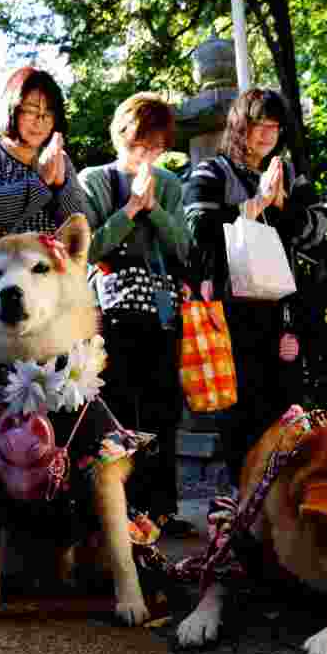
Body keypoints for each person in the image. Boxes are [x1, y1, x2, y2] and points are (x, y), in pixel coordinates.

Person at [181, 88, 327, 486]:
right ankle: (243, 504)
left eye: (274, 127)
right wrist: (255, 204)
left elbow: (317, 230)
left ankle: (281, 500)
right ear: (239, 126)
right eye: (258, 125)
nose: (266, 135)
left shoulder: (292, 175)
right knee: (241, 411)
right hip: (232, 309)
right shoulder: (211, 171)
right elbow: (198, 227)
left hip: (284, 310)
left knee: (287, 405)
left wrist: (282, 206)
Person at [77, 92, 197, 538]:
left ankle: (162, 509)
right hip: (110, 310)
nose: (146, 155)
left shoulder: (169, 184)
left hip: (160, 308)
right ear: (122, 137)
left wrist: (156, 210)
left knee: (163, 407)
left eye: (155, 146)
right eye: (138, 145)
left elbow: (184, 246)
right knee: (118, 406)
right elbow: (87, 249)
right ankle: (119, 508)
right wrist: (130, 210)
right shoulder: (95, 180)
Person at [0, 66, 86, 240]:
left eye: (48, 113)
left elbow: (79, 227)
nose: (40, 121)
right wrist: (41, 181)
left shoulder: (59, 159)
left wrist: (59, 185)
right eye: (31, 111)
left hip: (46, 265)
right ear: (12, 109)